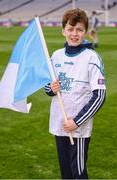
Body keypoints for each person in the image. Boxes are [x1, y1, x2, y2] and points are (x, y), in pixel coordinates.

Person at [44, 8, 106, 179]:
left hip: (78, 129)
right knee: (66, 173)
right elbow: (47, 87)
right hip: (59, 123)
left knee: (78, 173)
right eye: (70, 29)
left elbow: (100, 96)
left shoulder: (91, 58)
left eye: (79, 29)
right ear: (63, 30)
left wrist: (77, 121)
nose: (74, 33)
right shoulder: (56, 56)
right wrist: (51, 88)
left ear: (85, 31)